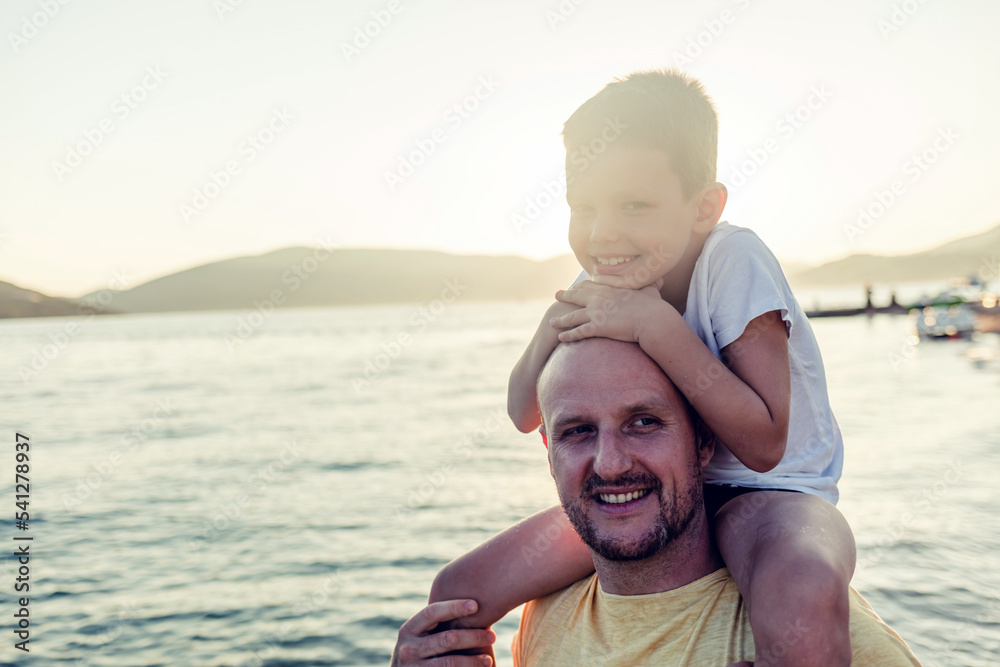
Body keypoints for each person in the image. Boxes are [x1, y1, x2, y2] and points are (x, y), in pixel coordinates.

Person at [430, 69, 857, 666]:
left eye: (634, 204)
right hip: (660, 494)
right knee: (458, 593)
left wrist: (655, 326)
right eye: (584, 207)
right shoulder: (603, 278)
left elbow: (765, 443)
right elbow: (524, 411)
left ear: (704, 206)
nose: (604, 232)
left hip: (773, 495)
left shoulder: (734, 260)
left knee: (804, 592)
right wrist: (554, 326)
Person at [392, 339, 921, 665]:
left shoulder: (819, 639)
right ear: (549, 451)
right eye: (578, 431)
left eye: (644, 422)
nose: (611, 463)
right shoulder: (546, 614)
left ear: (705, 439)